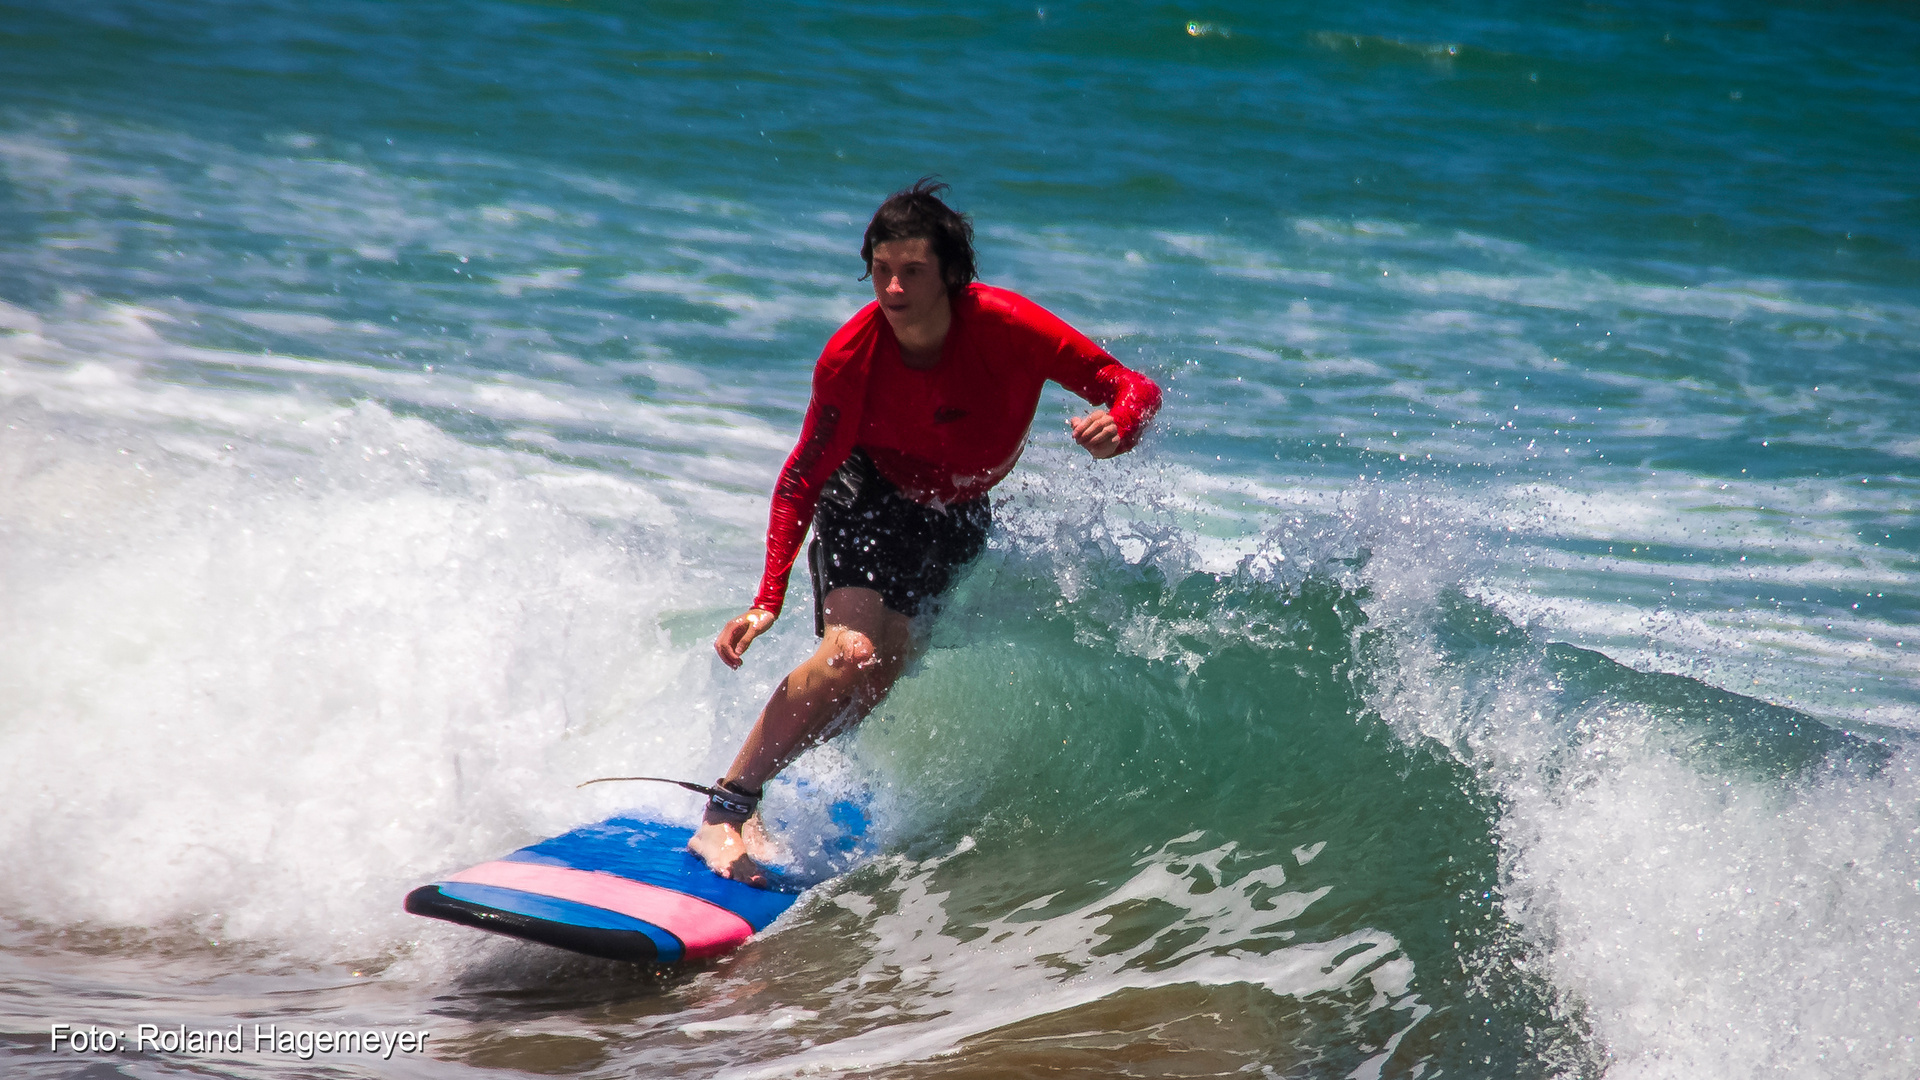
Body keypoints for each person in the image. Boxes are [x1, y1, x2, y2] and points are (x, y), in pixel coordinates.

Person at [692, 179, 1161, 885]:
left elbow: (1129, 385)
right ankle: (725, 811)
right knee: (849, 653)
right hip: (868, 492)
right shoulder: (852, 360)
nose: (893, 287)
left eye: (912, 270)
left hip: (954, 515)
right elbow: (800, 479)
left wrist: (1119, 424)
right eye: (881, 269)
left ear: (950, 275)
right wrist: (767, 597)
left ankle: (765, 788)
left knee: (878, 675)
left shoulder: (1009, 328)